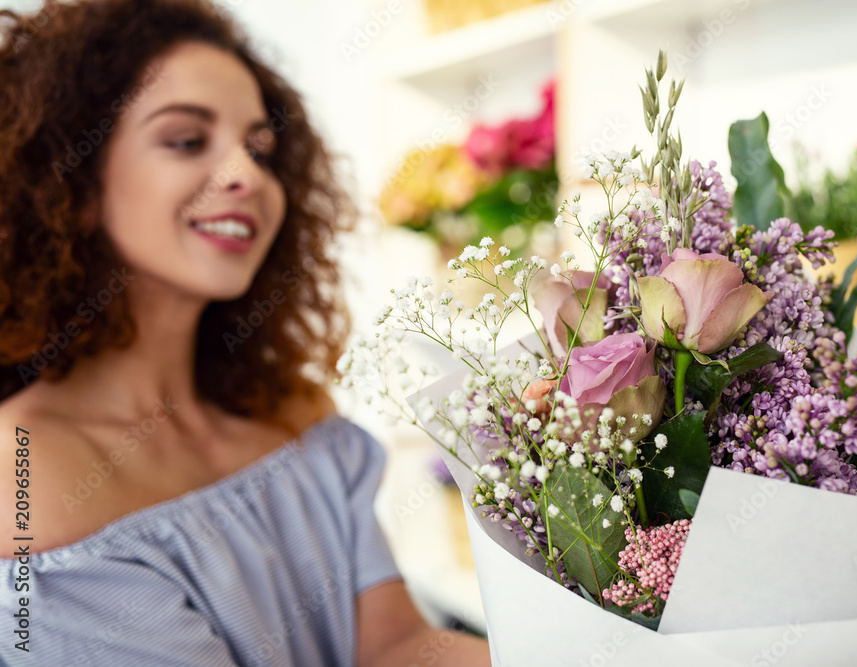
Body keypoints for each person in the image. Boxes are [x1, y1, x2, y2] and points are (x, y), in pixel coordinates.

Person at [0, 0, 491, 664]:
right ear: (74, 184)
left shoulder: (293, 414)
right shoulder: (25, 472)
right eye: (185, 140)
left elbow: (397, 643)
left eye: (260, 149)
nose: (245, 175)